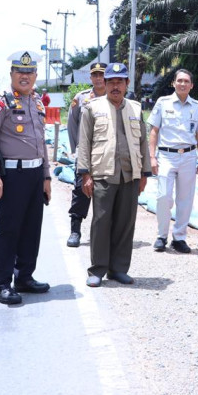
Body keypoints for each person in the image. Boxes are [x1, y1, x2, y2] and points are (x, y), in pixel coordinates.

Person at [0, 51, 52, 305]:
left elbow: (41, 142)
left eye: (30, 71)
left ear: (36, 75)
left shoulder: (37, 103)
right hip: (11, 175)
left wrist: (46, 177)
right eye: (20, 71)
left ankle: (24, 277)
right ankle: (1, 284)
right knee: (7, 230)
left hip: (34, 174)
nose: (25, 76)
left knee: (31, 229)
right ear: (11, 74)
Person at [76, 62, 152, 286]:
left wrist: (145, 173)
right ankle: (97, 270)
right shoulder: (92, 108)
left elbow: (143, 143)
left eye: (120, 82)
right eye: (111, 82)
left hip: (130, 175)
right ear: (105, 84)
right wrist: (85, 174)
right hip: (102, 174)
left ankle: (118, 269)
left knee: (125, 223)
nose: (115, 86)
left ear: (127, 83)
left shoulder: (136, 109)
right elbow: (84, 143)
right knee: (101, 222)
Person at [148, 69, 198, 253]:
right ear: (173, 83)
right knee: (163, 197)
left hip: (189, 156)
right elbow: (154, 131)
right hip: (166, 155)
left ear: (191, 85)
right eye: (179, 80)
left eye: (186, 81)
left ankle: (179, 238)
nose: (183, 84)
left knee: (185, 199)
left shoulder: (196, 106)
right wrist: (152, 157)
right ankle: (161, 236)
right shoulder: (163, 103)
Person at [64, 63, 108, 247]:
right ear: (90, 78)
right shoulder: (81, 98)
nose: (98, 78)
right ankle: (75, 231)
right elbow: (72, 124)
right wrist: (77, 150)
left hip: (106, 153)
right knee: (81, 191)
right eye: (95, 75)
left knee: (106, 193)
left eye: (101, 75)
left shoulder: (114, 98)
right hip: (85, 153)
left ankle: (105, 234)